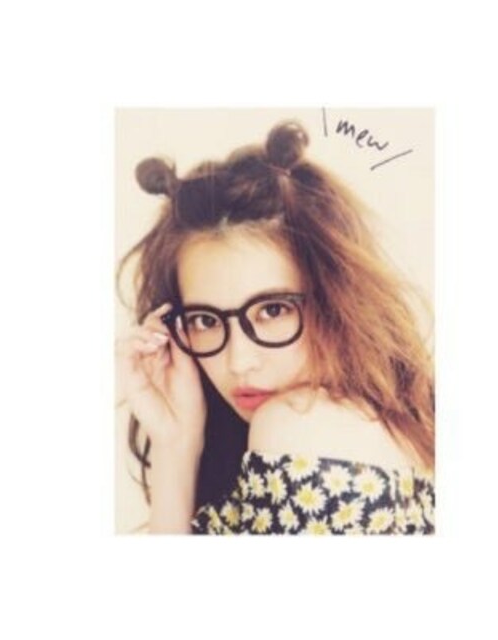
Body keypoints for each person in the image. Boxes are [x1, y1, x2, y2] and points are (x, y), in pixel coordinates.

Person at [116, 120, 435, 534]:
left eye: (272, 310)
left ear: (337, 300)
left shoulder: (304, 428)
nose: (239, 361)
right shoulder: (375, 428)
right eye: (205, 320)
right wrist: (175, 444)